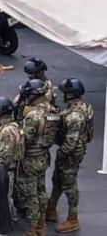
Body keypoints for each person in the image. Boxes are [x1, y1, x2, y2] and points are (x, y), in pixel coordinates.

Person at [46, 78, 95, 233]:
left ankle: (73, 219)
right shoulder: (83, 107)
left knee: (69, 184)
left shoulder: (75, 116)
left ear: (70, 94)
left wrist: (62, 152)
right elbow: (62, 116)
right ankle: (51, 208)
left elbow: (71, 141)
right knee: (57, 178)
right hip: (72, 151)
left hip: (71, 154)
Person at [17, 78, 60, 236]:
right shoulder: (53, 111)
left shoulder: (32, 116)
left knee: (30, 194)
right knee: (41, 190)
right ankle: (42, 224)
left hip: (30, 159)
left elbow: (25, 138)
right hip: (43, 156)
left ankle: (33, 228)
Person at [0, 96, 24, 224]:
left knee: (5, 198)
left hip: (6, 171)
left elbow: (5, 158)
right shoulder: (2, 127)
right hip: (3, 169)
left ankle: (9, 222)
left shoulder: (8, 131)